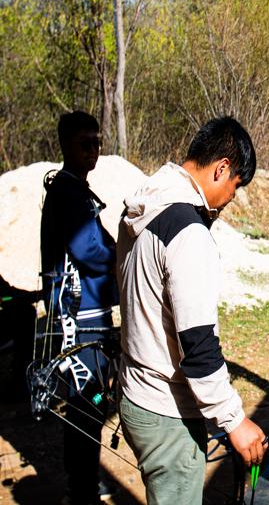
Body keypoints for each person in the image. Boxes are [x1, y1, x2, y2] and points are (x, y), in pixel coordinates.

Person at [116, 117, 266, 505]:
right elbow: (198, 348)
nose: (232, 198)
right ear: (222, 169)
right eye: (235, 186)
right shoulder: (187, 233)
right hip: (167, 410)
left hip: (135, 393)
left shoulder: (144, 206)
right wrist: (235, 421)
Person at [39, 111, 118, 505]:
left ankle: (84, 481)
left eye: (97, 143)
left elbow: (102, 241)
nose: (94, 151)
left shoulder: (79, 191)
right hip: (78, 316)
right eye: (85, 144)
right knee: (86, 406)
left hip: (91, 311)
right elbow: (91, 250)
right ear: (66, 146)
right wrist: (122, 263)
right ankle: (81, 488)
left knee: (90, 404)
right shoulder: (68, 192)